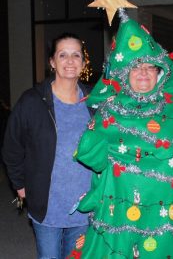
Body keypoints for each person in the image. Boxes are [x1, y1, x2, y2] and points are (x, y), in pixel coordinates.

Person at [68, 9, 173, 258]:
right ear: (125, 74)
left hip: (171, 219)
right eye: (136, 68)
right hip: (123, 221)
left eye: (150, 67)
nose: (144, 73)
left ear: (160, 73)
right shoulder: (110, 112)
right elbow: (92, 158)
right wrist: (97, 128)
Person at [2, 33, 93, 259]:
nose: (70, 61)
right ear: (52, 62)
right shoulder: (32, 101)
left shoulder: (94, 102)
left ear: (83, 63)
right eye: (63, 55)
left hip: (85, 203)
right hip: (47, 202)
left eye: (76, 55)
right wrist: (19, 185)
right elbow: (12, 148)